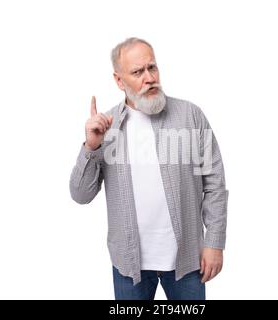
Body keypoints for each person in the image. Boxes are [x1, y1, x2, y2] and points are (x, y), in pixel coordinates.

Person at [69, 37, 229, 300]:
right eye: (137, 72)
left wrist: (214, 242)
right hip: (129, 266)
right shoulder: (106, 128)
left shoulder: (190, 116)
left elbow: (214, 185)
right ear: (119, 81)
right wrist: (91, 146)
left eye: (152, 68)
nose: (149, 77)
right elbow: (80, 195)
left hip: (187, 261)